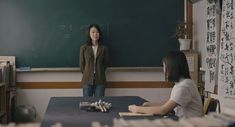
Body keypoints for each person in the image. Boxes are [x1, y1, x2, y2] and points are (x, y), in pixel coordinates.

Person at [128, 51, 204, 118]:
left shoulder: (184, 86)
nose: (164, 71)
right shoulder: (183, 83)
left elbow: (163, 110)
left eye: (164, 67)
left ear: (171, 67)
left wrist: (137, 109)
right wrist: (151, 104)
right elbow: (170, 103)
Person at [80, 24, 109, 97]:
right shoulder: (84, 48)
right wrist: (88, 72)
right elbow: (82, 65)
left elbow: (105, 64)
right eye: (93, 32)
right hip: (87, 80)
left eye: (97, 32)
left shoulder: (104, 48)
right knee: (87, 104)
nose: (95, 34)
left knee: (99, 104)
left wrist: (99, 71)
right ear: (89, 34)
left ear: (99, 34)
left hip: (100, 79)